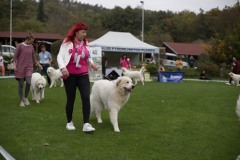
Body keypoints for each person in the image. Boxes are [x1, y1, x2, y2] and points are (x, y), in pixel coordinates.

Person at [57, 21, 98, 132]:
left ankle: (86, 124)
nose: (85, 34)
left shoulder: (85, 42)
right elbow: (60, 56)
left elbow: (88, 55)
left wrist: (91, 63)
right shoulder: (67, 42)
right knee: (71, 98)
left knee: (86, 97)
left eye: (85, 32)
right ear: (76, 32)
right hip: (69, 74)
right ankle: (69, 122)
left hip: (83, 74)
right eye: (83, 32)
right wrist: (62, 68)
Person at [13, 33, 42, 107]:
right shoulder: (20, 46)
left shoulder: (31, 47)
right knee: (21, 84)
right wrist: (14, 65)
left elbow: (33, 58)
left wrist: (38, 65)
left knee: (29, 82)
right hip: (20, 67)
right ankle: (21, 100)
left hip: (29, 67)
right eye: (31, 41)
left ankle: (25, 98)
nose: (32, 42)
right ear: (27, 39)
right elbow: (15, 56)